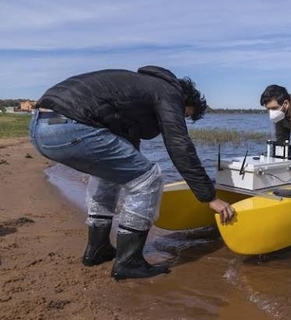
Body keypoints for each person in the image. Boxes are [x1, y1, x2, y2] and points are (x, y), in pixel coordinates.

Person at [30, 65, 235, 280]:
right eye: (184, 114)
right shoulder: (168, 92)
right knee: (148, 180)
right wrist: (209, 197)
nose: (180, 118)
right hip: (68, 126)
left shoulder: (139, 87)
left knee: (110, 176)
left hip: (43, 126)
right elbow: (179, 145)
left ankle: (97, 250)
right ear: (185, 101)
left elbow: (125, 141)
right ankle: (129, 262)